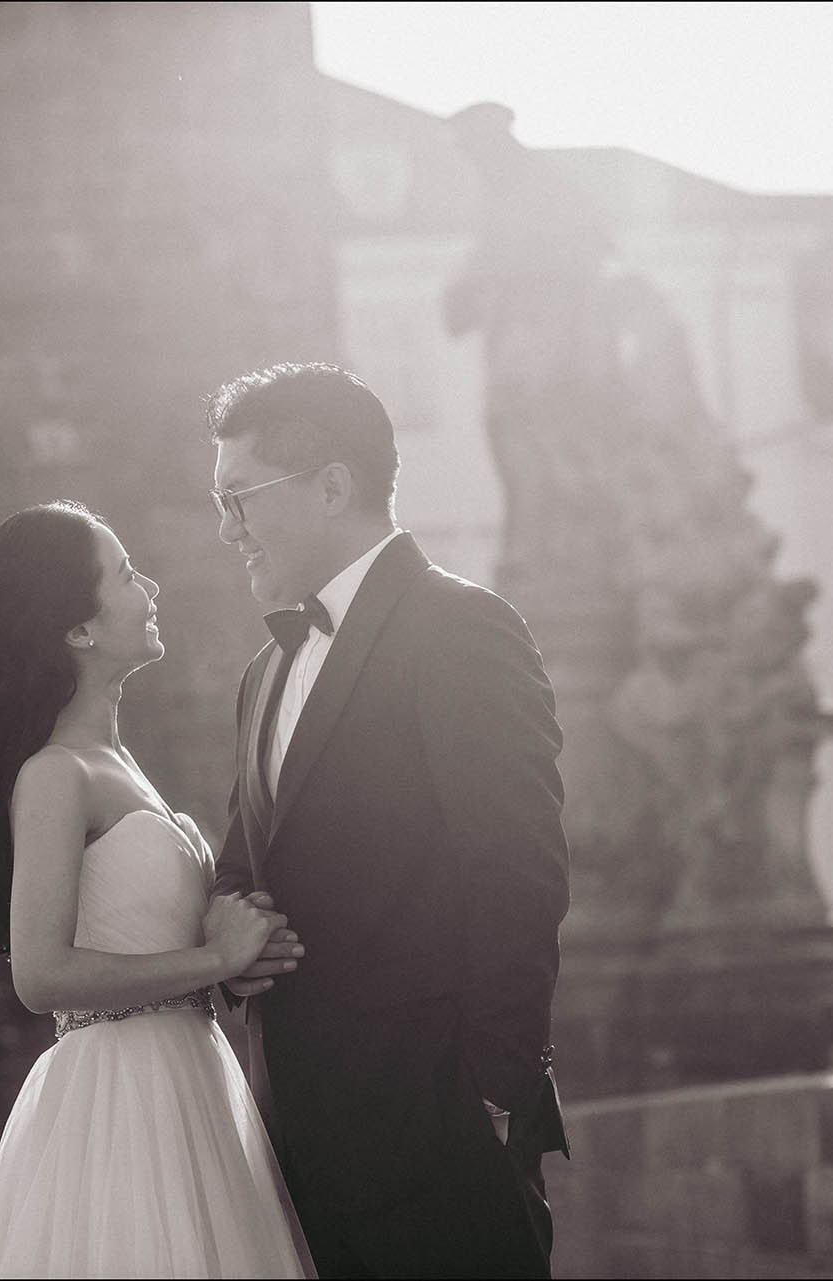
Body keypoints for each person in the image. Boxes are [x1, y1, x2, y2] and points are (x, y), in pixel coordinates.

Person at [205, 362, 570, 1278]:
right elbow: (243, 862)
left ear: (332, 485)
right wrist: (226, 925)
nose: (227, 527)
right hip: (298, 1145)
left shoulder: (462, 626)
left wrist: (493, 1090)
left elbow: (519, 869)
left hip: (441, 1130)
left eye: (241, 496)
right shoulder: (263, 675)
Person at [0, 500, 312, 1277]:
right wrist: (214, 962)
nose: (149, 587)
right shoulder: (55, 774)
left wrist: (240, 950)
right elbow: (41, 975)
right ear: (78, 629)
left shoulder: (121, 765)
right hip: (123, 1102)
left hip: (196, 1080)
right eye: (124, 573)